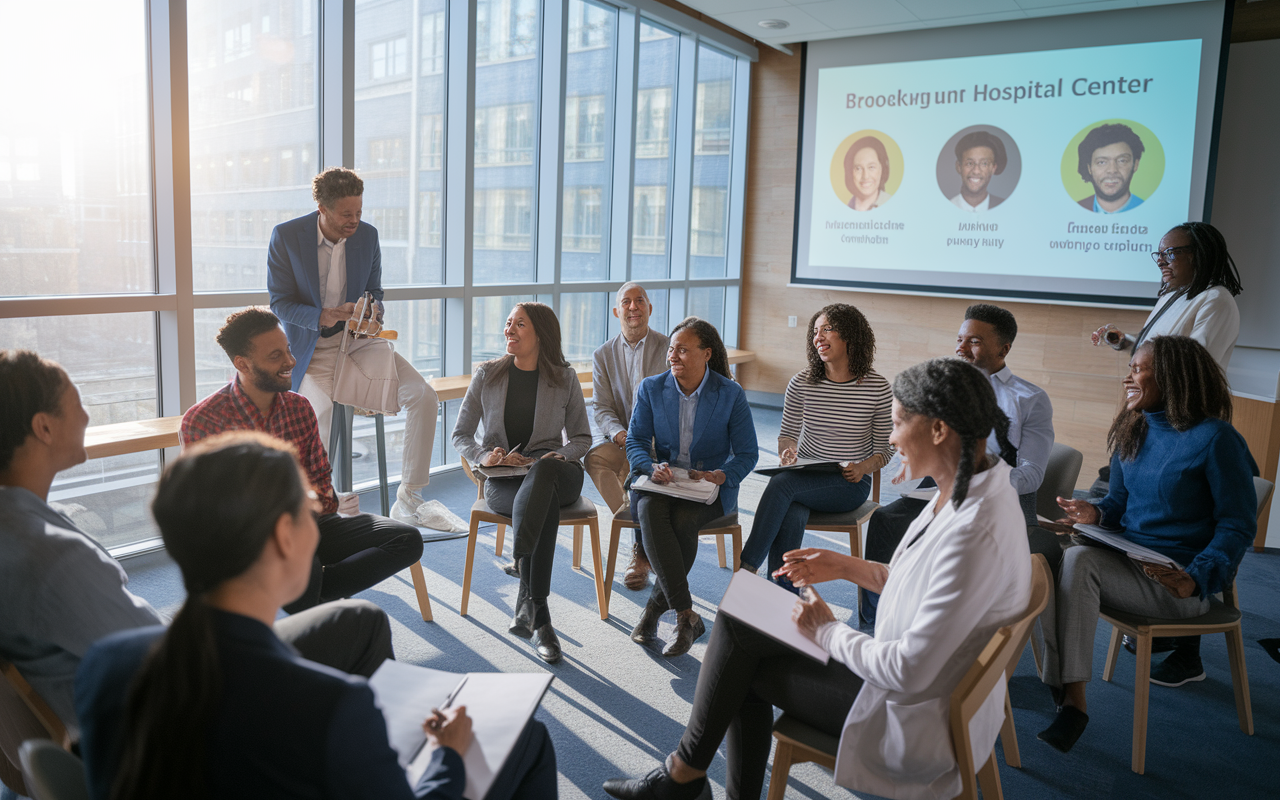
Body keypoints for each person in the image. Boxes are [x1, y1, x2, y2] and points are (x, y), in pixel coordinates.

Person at [602, 357, 1031, 800]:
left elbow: (907, 669)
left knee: (738, 663)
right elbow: (920, 581)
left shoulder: (974, 533)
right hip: (910, 680)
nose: (890, 438)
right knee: (743, 606)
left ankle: (682, 776)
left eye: (899, 423)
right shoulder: (973, 489)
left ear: (939, 430)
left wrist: (827, 631)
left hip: (907, 713)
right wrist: (847, 566)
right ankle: (684, 774)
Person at [75, 431, 558, 800]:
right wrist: (447, 756)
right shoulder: (332, 706)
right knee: (530, 739)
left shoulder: (106, 664)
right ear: (286, 537)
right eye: (309, 510)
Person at [0, 350, 395, 741]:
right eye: (78, 404)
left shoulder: (18, 529)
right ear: (44, 428)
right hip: (184, 717)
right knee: (361, 622)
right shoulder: (54, 559)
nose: (87, 416)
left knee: (350, 618)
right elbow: (168, 665)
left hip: (130, 702)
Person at [1037, 336, 1257, 754]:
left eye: (1138, 369)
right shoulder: (1132, 429)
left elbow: (1237, 525)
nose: (1128, 377)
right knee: (1049, 555)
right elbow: (1118, 503)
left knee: (1080, 563)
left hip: (1177, 585)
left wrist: (1197, 578)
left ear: (1174, 377)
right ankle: (1068, 693)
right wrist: (1094, 515)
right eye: (1131, 368)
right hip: (1129, 563)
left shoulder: (1216, 439)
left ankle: (1072, 701)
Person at [182, 308, 424, 614]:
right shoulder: (203, 421)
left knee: (407, 539)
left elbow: (321, 479)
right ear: (241, 364)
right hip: (252, 543)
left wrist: (303, 518)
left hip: (310, 522)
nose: (291, 362)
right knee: (303, 572)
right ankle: (316, 609)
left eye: (288, 350)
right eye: (275, 356)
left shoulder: (299, 407)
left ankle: (320, 598)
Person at [267, 167, 441, 529]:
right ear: (322, 208)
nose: (355, 220)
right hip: (311, 348)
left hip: (359, 342)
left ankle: (409, 497)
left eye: (359, 211)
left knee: (424, 396)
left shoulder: (368, 236)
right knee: (321, 419)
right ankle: (318, 510)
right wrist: (323, 315)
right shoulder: (286, 236)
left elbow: (375, 291)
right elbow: (279, 303)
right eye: (347, 214)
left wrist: (372, 311)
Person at [862, 304, 1056, 624]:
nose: (961, 348)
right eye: (960, 339)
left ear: (1003, 348)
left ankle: (932, 621)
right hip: (943, 484)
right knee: (885, 521)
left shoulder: (1029, 399)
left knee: (946, 542)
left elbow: (1032, 475)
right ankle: (879, 618)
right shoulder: (946, 385)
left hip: (1001, 494)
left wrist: (973, 485)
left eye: (974, 341)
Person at [451, 302, 591, 664]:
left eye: (519, 325)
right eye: (508, 323)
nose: (508, 330)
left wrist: (555, 456)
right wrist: (486, 456)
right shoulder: (488, 375)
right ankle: (539, 615)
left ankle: (522, 566)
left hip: (558, 473)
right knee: (538, 508)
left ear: (540, 334)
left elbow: (582, 438)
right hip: (505, 479)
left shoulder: (564, 376)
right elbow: (461, 434)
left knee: (542, 474)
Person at [625, 317, 758, 658]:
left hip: (707, 488)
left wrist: (722, 474)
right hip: (661, 482)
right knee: (650, 509)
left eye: (683, 350)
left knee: (682, 522)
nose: (674, 356)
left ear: (707, 354)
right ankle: (686, 616)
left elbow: (747, 453)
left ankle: (654, 612)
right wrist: (650, 466)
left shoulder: (729, 394)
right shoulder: (652, 388)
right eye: (671, 349)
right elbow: (636, 440)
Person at [738, 303, 891, 591]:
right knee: (792, 507)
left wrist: (862, 468)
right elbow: (787, 435)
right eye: (815, 332)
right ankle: (782, 593)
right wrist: (787, 450)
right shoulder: (801, 382)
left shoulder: (877, 387)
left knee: (783, 487)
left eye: (828, 330)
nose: (818, 337)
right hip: (805, 474)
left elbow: (886, 450)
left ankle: (746, 568)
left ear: (850, 336)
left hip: (848, 483)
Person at [586, 282, 671, 592]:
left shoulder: (668, 348)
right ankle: (640, 525)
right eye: (626, 302)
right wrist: (619, 433)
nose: (633, 307)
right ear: (616, 311)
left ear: (649, 308)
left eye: (640, 301)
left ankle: (641, 554)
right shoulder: (602, 355)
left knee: (640, 471)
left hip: (661, 443)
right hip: (622, 438)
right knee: (594, 459)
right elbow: (602, 407)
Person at [1092, 221, 1243, 370]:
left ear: (1199, 255)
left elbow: (1195, 364)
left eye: (1169, 253)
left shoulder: (1216, 299)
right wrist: (1123, 342)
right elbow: (1153, 348)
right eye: (1159, 254)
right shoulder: (1171, 295)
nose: (1160, 262)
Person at [1075, 122, 1145, 213]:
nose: (1112, 170)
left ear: (1135, 165)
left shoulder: (1150, 210)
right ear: (1089, 168)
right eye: (1101, 162)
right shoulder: (1074, 210)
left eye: (1122, 161)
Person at [950, 130, 1007, 211]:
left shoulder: (1006, 208)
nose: (976, 171)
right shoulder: (944, 208)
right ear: (959, 167)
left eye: (984, 164)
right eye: (969, 163)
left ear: (993, 168)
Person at [843, 135, 892, 211]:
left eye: (871, 167)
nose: (865, 176)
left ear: (881, 169)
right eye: (858, 168)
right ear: (850, 172)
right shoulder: (844, 207)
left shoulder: (894, 205)